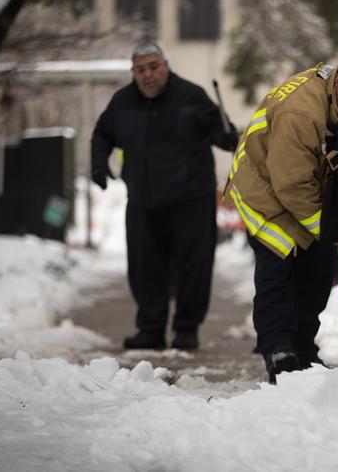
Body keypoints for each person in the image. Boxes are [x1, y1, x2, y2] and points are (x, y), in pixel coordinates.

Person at [224, 55, 338, 383]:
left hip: (309, 183)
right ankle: (278, 351)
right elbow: (290, 186)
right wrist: (333, 229)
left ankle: (303, 349)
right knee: (279, 268)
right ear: (337, 83)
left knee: (319, 270)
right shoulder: (300, 113)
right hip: (265, 189)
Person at [91, 41, 238, 350]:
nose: (148, 75)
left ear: (166, 65)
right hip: (144, 200)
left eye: (153, 67)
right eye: (140, 69)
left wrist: (228, 137)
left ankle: (186, 329)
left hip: (191, 198)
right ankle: (151, 329)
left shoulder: (191, 96)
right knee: (145, 268)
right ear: (133, 73)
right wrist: (98, 166)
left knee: (193, 267)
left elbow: (221, 133)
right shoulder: (122, 102)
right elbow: (102, 135)